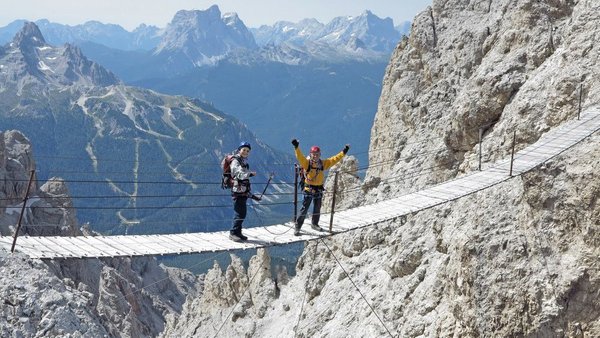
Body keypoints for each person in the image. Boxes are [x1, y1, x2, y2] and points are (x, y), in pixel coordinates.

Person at [291, 139, 349, 236]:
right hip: (308, 188)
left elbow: (334, 159)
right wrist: (296, 147)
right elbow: (300, 157)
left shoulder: (323, 164)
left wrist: (344, 152)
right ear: (311, 154)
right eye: (314, 154)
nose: (315, 156)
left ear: (320, 154)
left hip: (318, 188)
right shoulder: (307, 163)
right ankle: (297, 227)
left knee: (317, 208)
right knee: (304, 209)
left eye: (317, 154)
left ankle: (314, 224)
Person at [229, 141, 261, 242]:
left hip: (242, 191)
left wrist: (252, 196)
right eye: (244, 150)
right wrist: (249, 174)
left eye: (247, 151)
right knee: (239, 213)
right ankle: (233, 233)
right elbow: (237, 174)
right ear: (239, 150)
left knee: (242, 213)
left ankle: (238, 232)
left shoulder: (243, 161)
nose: (246, 152)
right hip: (237, 192)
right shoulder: (236, 161)